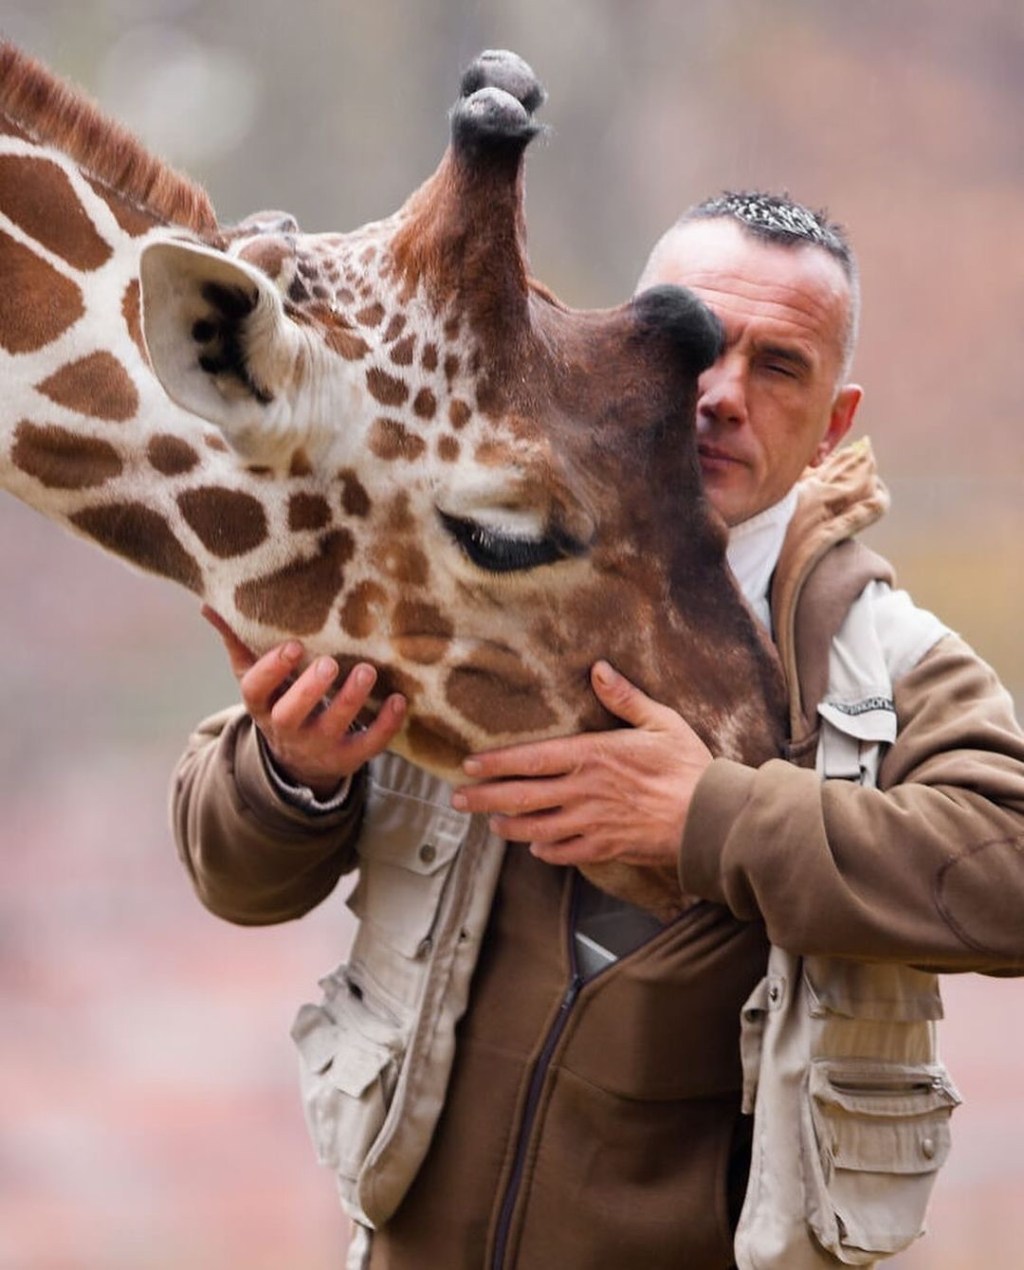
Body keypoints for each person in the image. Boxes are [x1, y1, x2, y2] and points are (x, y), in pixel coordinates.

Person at [172, 192, 1024, 1270]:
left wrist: (706, 819)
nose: (720, 395)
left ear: (835, 424)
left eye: (778, 367)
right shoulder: (453, 554)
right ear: (621, 352)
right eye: (698, 346)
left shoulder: (887, 660)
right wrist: (291, 770)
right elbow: (231, 876)